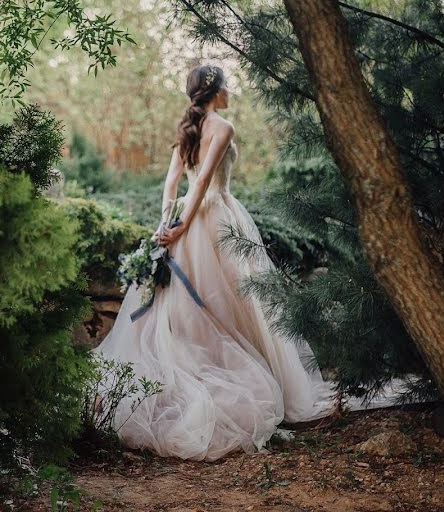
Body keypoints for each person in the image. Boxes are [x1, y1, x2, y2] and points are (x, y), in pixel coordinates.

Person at [91, 64, 338, 461]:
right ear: (216, 91)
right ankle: (237, 374)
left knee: (202, 303)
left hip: (183, 219)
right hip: (216, 217)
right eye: (227, 87)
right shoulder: (223, 127)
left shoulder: (187, 127)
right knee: (232, 301)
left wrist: (167, 226)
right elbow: (204, 181)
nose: (230, 92)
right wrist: (183, 225)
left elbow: (173, 183)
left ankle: (214, 363)